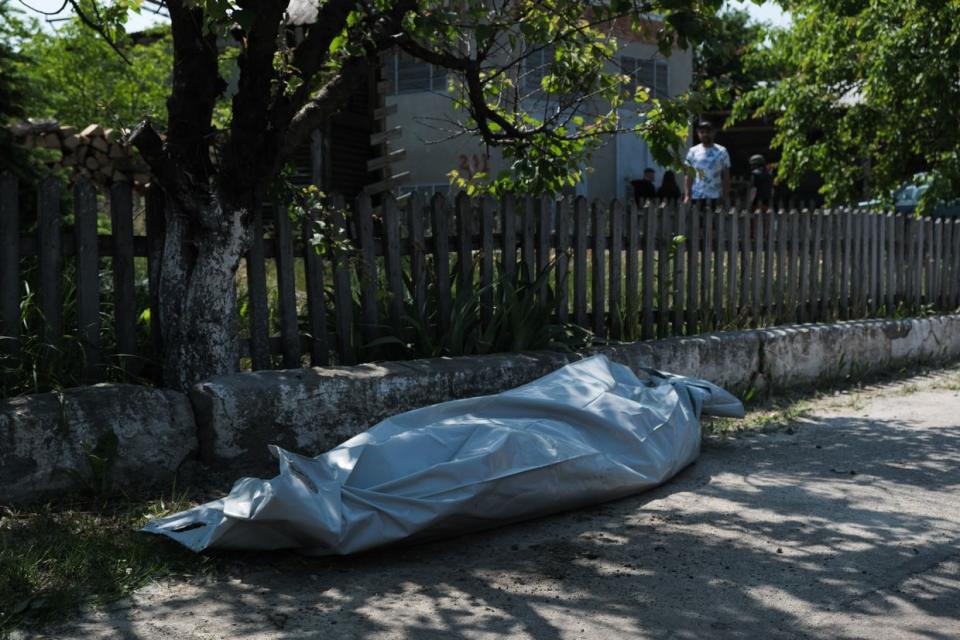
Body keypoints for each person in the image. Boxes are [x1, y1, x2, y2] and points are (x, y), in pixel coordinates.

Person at [683, 120, 730, 209]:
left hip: (716, 196)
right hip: (697, 195)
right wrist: (687, 195)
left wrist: (725, 196)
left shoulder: (722, 151)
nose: (705, 134)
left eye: (708, 132)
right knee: (697, 222)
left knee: (715, 222)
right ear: (698, 133)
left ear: (714, 133)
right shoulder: (692, 151)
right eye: (702, 132)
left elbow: (726, 176)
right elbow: (688, 175)